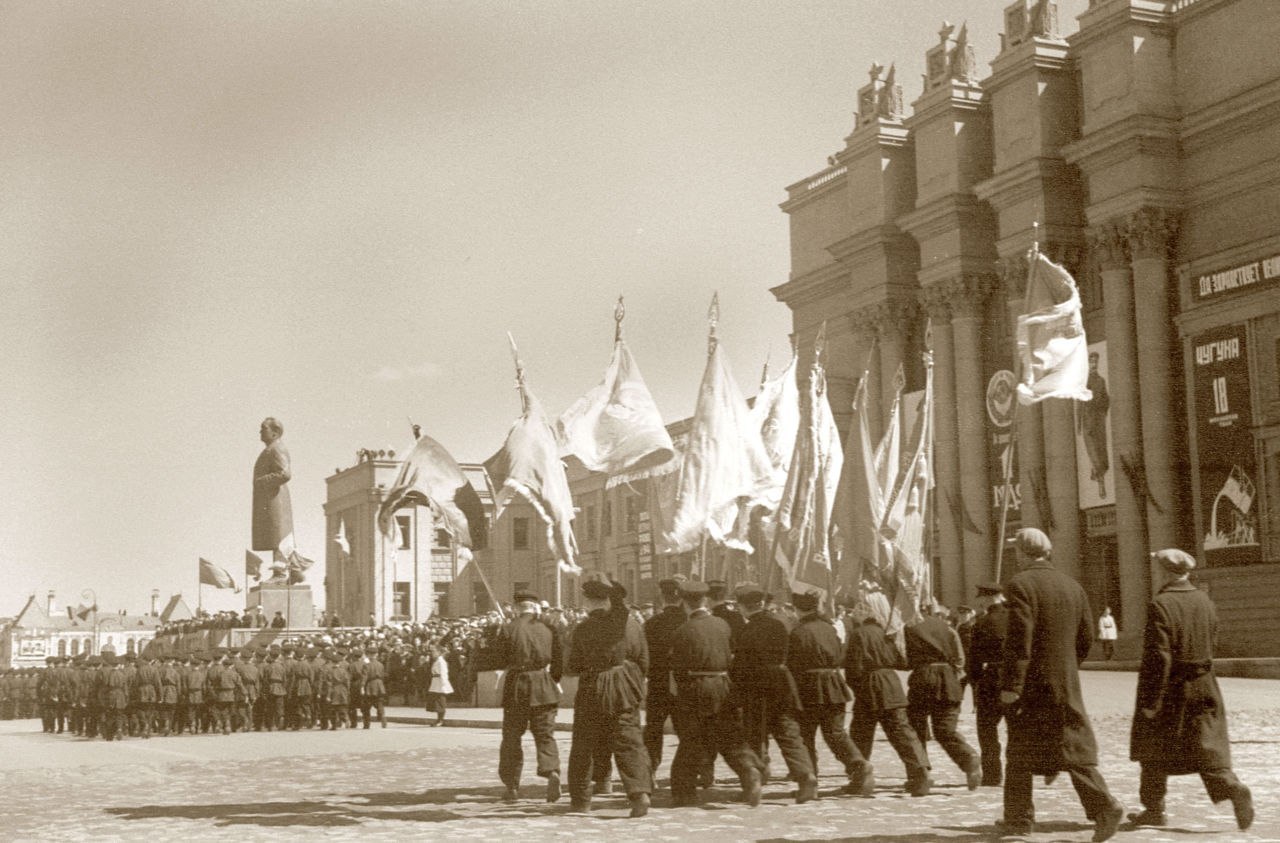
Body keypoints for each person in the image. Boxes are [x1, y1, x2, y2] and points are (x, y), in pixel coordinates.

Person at [998, 527, 1124, 841]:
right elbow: (1086, 636)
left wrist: (1012, 684)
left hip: (1031, 684)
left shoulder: (1020, 585)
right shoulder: (1072, 585)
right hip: (1063, 678)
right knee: (1062, 743)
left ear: (1022, 552)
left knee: (1026, 748)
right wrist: (1067, 665)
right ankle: (1017, 817)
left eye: (1016, 549)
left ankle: (1102, 805)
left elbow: (1019, 640)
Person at [1127, 548, 1253, 831]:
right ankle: (1232, 788)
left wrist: (1151, 700)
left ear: (1164, 570)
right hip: (1205, 682)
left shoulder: (1160, 604)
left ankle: (1154, 809)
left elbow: (1159, 657)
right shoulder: (1205, 601)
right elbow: (1214, 640)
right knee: (1206, 746)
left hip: (1172, 687)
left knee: (1153, 748)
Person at [667, 580, 764, 808]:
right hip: (723, 684)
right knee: (730, 734)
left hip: (696, 686)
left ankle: (684, 791)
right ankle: (749, 770)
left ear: (683, 602)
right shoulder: (722, 625)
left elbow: (678, 669)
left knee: (692, 739)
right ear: (705, 600)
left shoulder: (682, 631)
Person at [565, 572, 652, 817]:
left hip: (594, 687)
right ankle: (639, 793)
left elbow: (572, 666)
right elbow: (644, 659)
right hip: (625, 685)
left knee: (584, 744)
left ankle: (581, 799)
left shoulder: (583, 629)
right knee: (629, 741)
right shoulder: (632, 624)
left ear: (589, 603)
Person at [731, 582, 816, 803]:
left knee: (754, 734)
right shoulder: (780, 624)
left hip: (757, 687)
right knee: (788, 732)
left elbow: (740, 665)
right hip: (782, 683)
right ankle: (806, 774)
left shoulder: (746, 630)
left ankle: (756, 778)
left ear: (743, 607)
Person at [788, 590, 875, 797]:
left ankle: (809, 779)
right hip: (834, 684)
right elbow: (839, 654)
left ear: (798, 609)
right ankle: (859, 765)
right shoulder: (830, 628)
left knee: (805, 735)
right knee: (836, 733)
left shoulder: (798, 632)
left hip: (808, 686)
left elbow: (793, 662)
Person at [845, 590, 930, 796]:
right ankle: (920, 774)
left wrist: (856, 686)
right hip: (891, 685)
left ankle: (860, 777)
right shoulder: (886, 631)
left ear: (866, 609)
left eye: (859, 607)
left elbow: (853, 666)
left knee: (860, 733)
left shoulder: (859, 634)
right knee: (902, 732)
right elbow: (900, 660)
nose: (854, 611)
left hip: (869, 685)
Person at [904, 606, 981, 791]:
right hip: (948, 679)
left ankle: (920, 774)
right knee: (945, 729)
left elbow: (905, 658)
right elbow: (959, 658)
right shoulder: (947, 628)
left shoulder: (910, 628)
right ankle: (968, 758)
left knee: (915, 729)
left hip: (923, 678)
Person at [497, 591, 563, 803]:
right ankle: (551, 770)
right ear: (535, 608)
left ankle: (511, 785)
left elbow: (498, 658)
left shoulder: (509, 628)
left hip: (517, 685)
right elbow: (559, 659)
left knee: (511, 738)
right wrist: (553, 679)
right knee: (545, 735)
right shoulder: (548, 628)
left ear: (517, 608)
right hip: (543, 684)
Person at [642, 575, 687, 775]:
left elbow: (644, 657)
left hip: (658, 683)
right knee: (687, 730)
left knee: (653, 729)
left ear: (662, 596)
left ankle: (650, 768)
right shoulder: (688, 621)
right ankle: (700, 770)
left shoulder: (652, 624)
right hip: (684, 683)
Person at [968, 582, 1009, 787]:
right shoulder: (1017, 618)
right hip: (1016, 679)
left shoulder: (981, 623)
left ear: (986, 599)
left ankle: (993, 775)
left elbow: (973, 659)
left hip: (991, 679)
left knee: (987, 729)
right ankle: (1019, 772)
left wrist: (975, 681)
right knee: (1017, 730)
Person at [252, 417, 294, 559]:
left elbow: (285, 474)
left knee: (278, 535)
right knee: (276, 534)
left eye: (264, 428)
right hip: (270, 497)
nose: (260, 432)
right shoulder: (270, 449)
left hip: (275, 497)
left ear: (275, 432)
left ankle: (281, 571)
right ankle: (294, 570)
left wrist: (262, 481)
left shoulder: (276, 448)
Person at [1077, 352, 1111, 500]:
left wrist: (1103, 411)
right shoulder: (1084, 381)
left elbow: (1106, 398)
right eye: (1091, 361)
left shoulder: (1101, 380)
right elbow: (1079, 403)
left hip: (1099, 422)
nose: (1094, 364)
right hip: (1088, 422)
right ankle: (1101, 484)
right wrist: (1079, 423)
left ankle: (1096, 472)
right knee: (1094, 454)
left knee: (1101, 453)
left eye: (1096, 361)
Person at [425, 645, 451, 726]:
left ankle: (440, 720)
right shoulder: (436, 661)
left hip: (440, 683)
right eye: (432, 651)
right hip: (435, 682)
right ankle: (438, 719)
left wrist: (444, 684)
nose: (432, 653)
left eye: (434, 651)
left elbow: (444, 673)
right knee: (436, 702)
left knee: (440, 701)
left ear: (439, 652)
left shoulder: (441, 661)